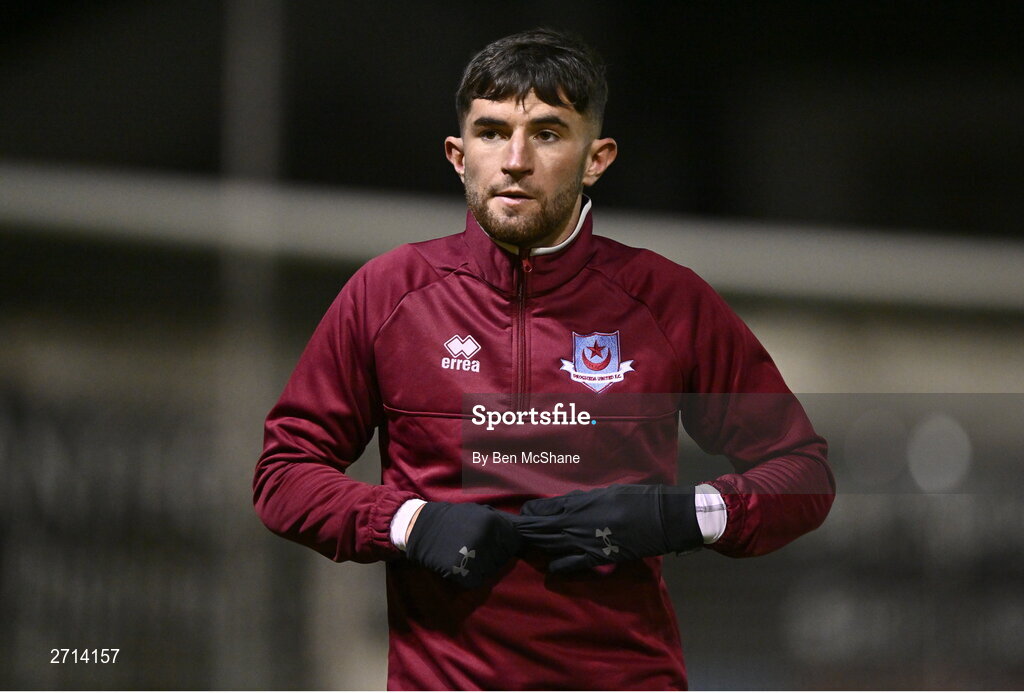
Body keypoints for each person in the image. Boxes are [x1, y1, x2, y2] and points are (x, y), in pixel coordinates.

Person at [254, 28, 834, 690]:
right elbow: (284, 474)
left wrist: (681, 515)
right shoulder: (388, 295)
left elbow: (803, 475)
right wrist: (409, 522)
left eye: (549, 134)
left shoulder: (667, 302)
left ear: (597, 157)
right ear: (457, 154)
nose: (516, 159)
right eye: (492, 131)